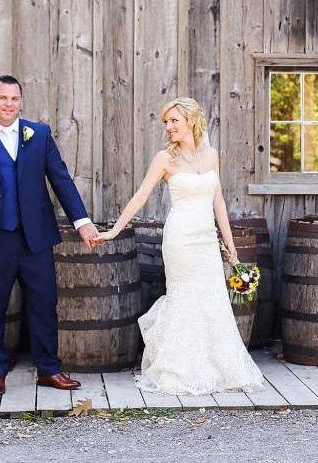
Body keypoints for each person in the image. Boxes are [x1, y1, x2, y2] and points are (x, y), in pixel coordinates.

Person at [94, 97, 264, 395]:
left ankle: (216, 369)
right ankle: (179, 369)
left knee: (212, 299)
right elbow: (140, 196)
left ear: (191, 121)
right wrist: (113, 231)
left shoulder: (211, 155)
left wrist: (230, 244)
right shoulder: (164, 159)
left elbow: (219, 201)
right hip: (181, 239)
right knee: (185, 298)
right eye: (166, 122)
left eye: (174, 121)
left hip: (206, 240)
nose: (168, 127)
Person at [0, 75, 100, 396]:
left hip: (35, 237)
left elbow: (60, 180)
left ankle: (49, 369)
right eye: (3, 98)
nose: (9, 105)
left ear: (21, 101)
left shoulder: (38, 135)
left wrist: (82, 221)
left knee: (45, 302)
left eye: (14, 99)